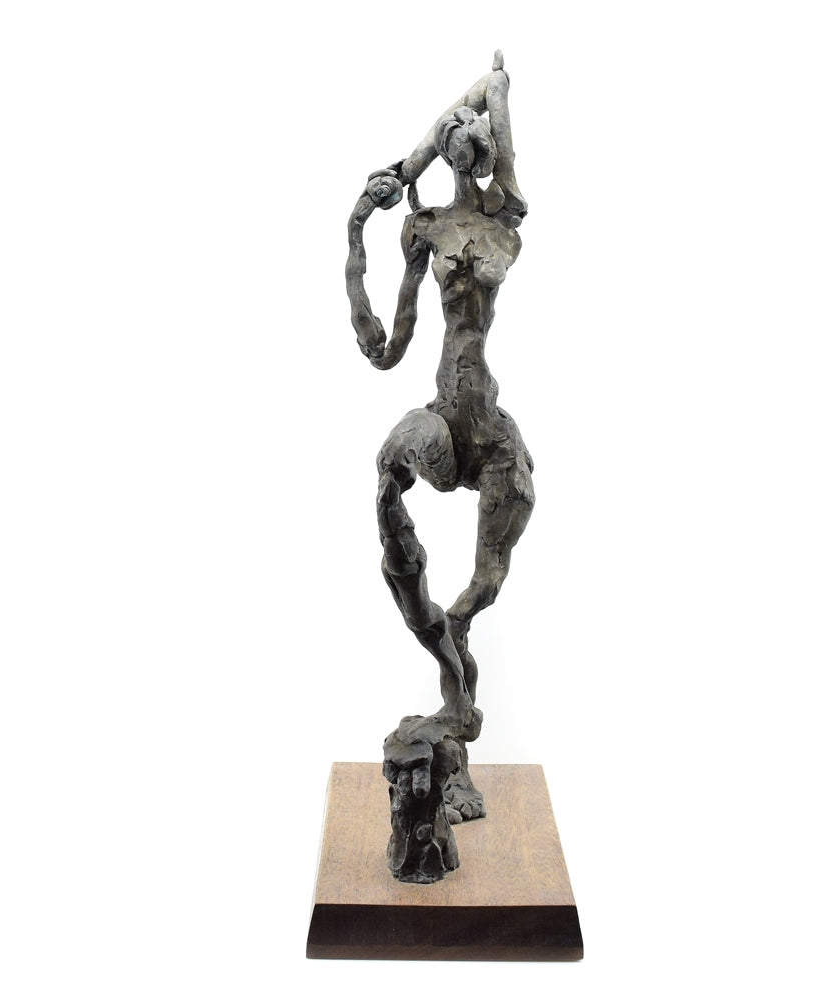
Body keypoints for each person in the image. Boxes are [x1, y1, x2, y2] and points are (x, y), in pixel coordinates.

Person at [346, 53, 533, 822]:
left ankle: (456, 696)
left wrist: (493, 90)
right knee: (388, 466)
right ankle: (425, 615)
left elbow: (495, 98)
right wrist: (359, 224)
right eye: (453, 135)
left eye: (475, 138)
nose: (466, 141)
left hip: (489, 435)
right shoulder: (426, 228)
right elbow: (388, 347)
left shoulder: (500, 224)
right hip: (444, 421)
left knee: (482, 588)